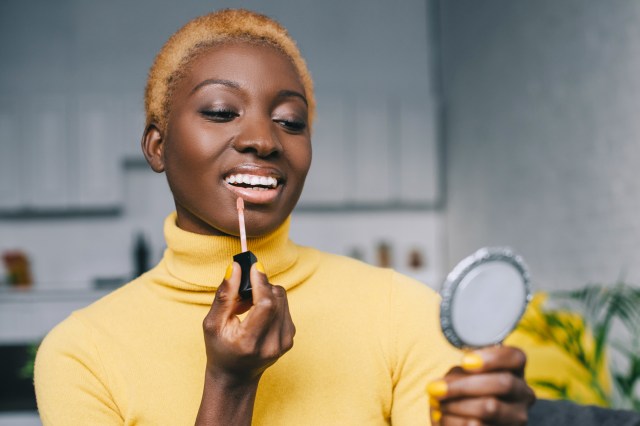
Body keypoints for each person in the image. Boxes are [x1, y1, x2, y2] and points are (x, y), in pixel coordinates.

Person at [34, 9, 535, 425]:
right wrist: (228, 387)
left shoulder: (402, 312)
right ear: (158, 146)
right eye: (221, 111)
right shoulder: (79, 354)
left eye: (289, 121)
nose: (263, 139)